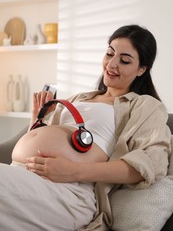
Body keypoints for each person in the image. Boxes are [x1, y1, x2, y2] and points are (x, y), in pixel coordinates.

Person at [0, 24, 171, 231]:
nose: (112, 64)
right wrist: (37, 120)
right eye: (110, 53)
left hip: (68, 192)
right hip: (23, 174)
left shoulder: (145, 106)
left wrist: (73, 171)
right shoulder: (79, 98)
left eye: (124, 60)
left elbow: (149, 164)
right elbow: (37, 144)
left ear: (142, 69)